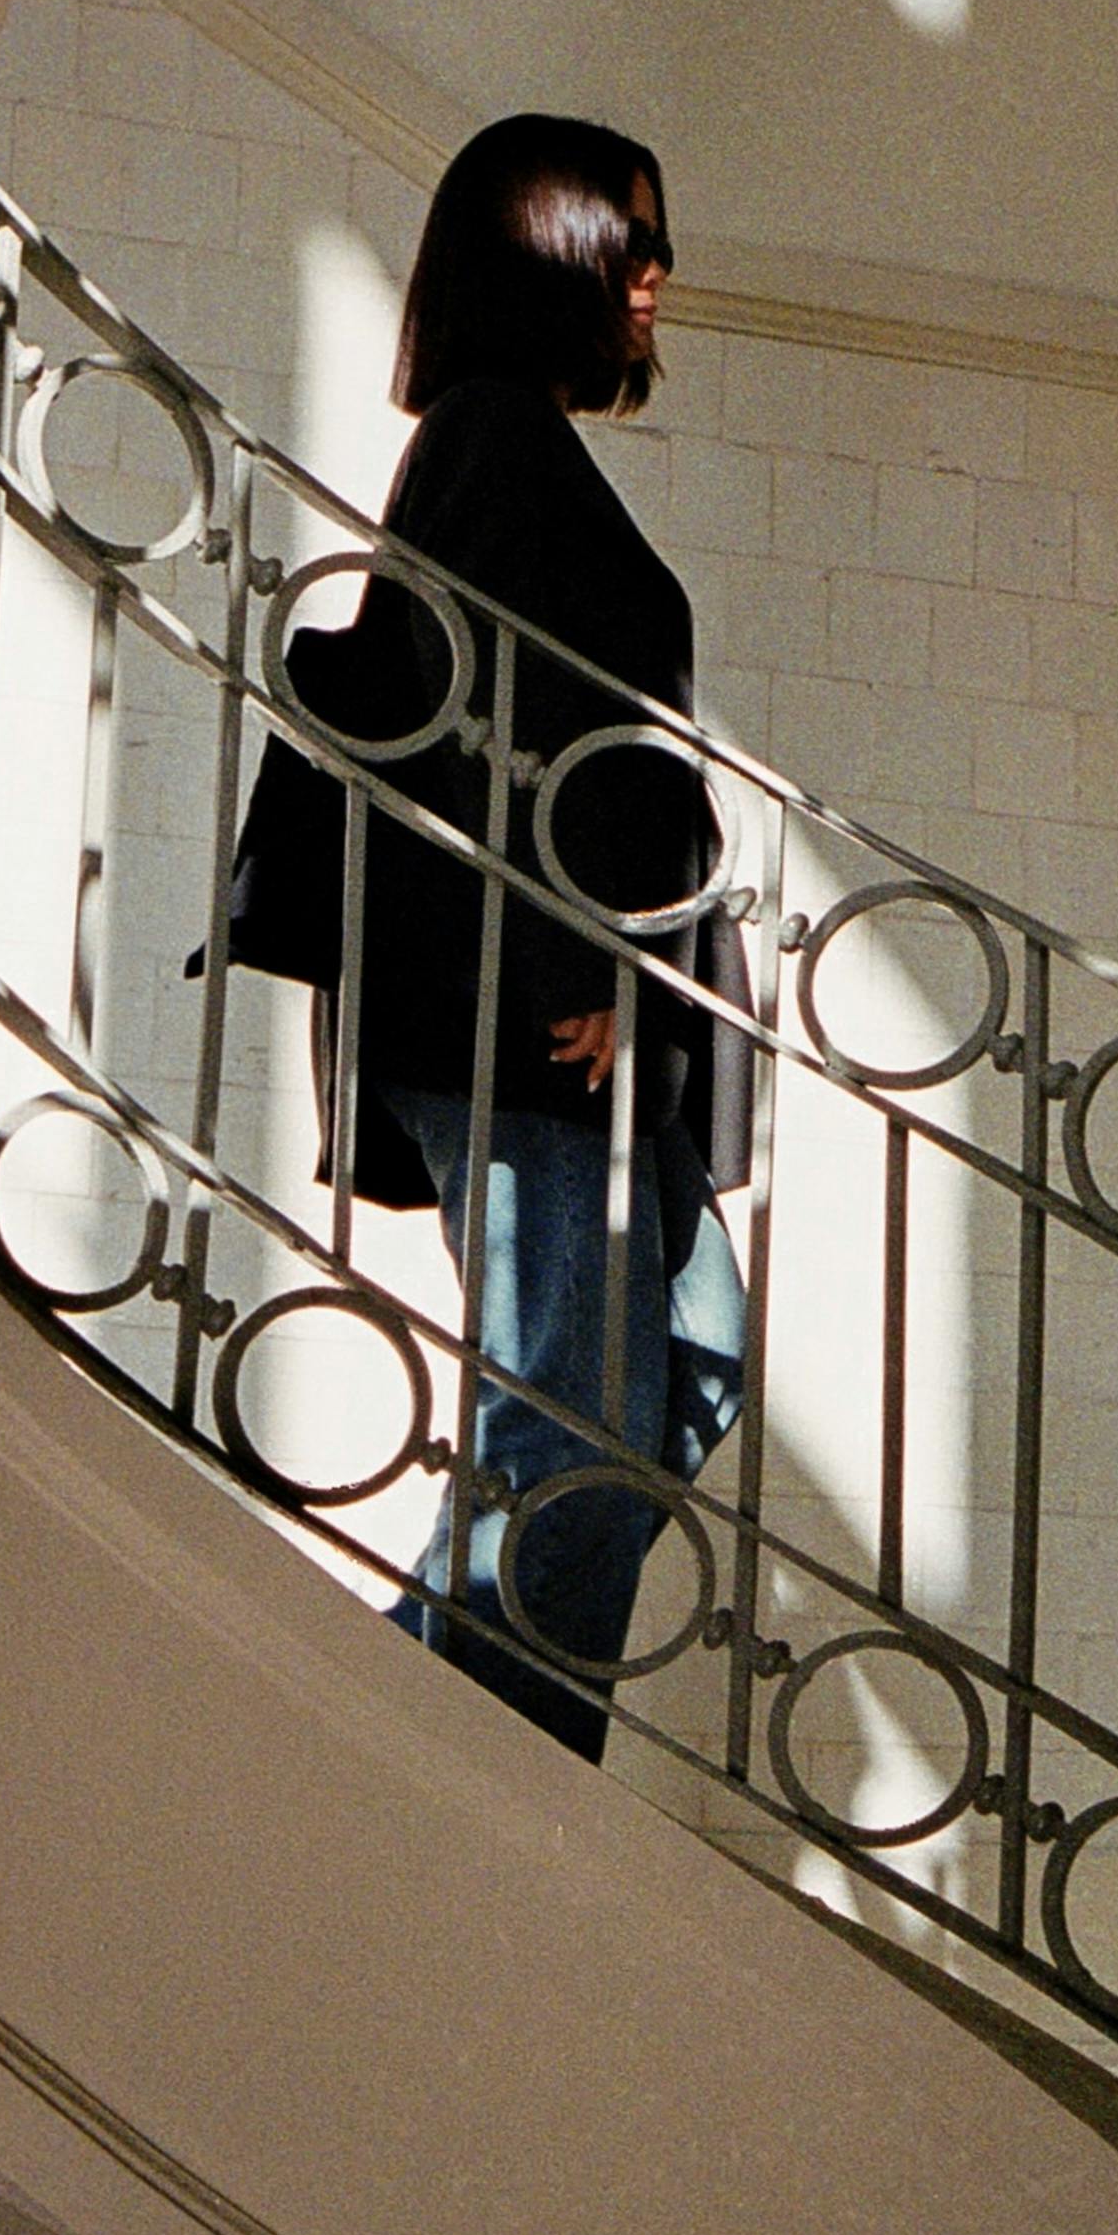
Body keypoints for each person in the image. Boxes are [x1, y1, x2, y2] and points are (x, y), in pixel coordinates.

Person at [286, 113, 747, 1763]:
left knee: (693, 1350)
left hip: (584, 1034)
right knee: (575, 1410)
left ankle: (434, 1695)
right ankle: (462, 1759)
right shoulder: (489, 435)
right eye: (628, 241)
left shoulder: (521, 447)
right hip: (526, 1020)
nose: (655, 278)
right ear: (542, 249)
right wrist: (586, 967)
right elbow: (462, 719)